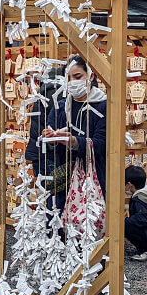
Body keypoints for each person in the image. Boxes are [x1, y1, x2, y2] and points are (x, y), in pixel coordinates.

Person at [39, 55, 107, 210]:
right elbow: (48, 146)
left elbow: (104, 144)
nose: (73, 82)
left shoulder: (104, 106)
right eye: (68, 78)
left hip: (93, 178)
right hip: (64, 177)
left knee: (87, 224)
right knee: (58, 224)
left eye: (77, 76)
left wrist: (75, 142)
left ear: (91, 75)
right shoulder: (60, 106)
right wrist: (50, 138)